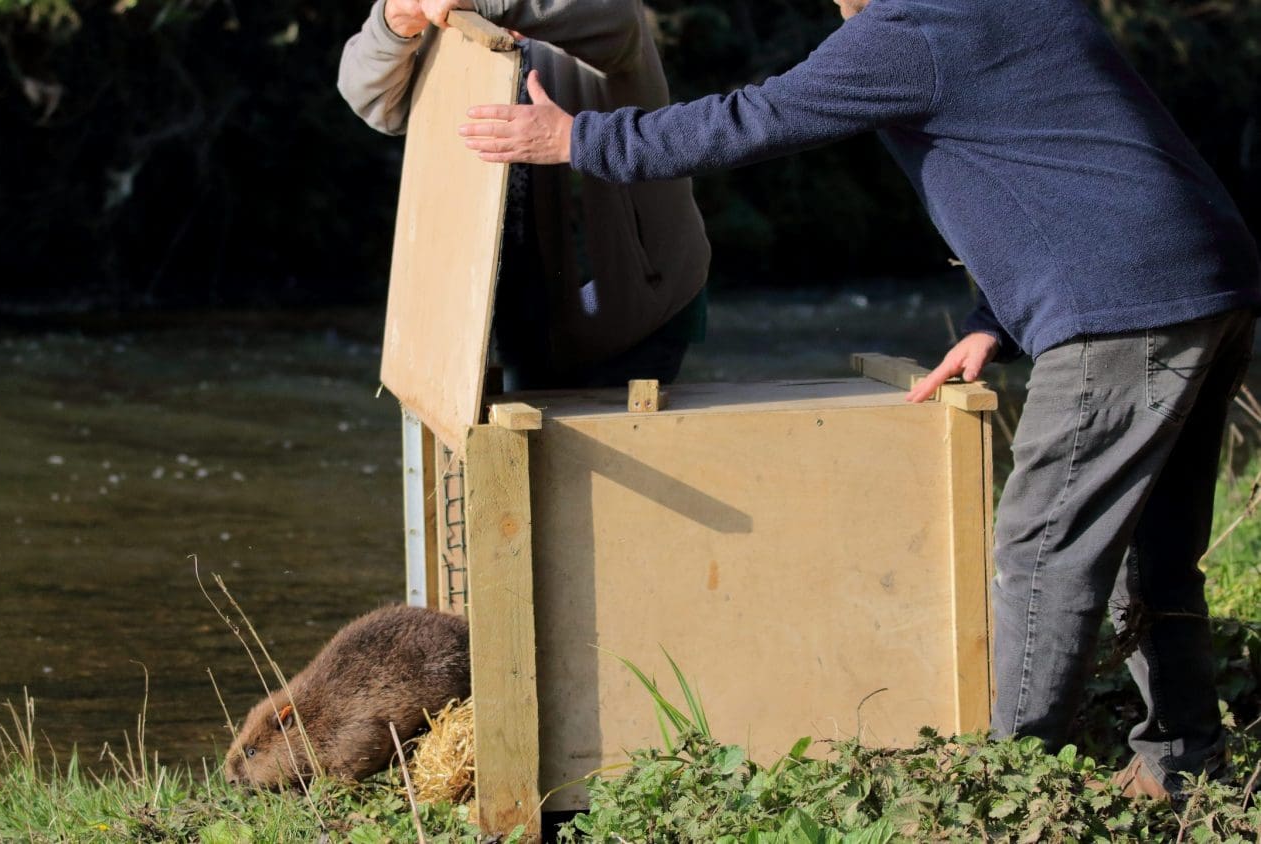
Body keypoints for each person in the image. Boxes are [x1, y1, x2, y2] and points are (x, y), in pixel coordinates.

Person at [459, 0, 1261, 800]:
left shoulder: (911, 28)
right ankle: (1181, 762)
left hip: (1123, 306)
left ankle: (1000, 784)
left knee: (1038, 551)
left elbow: (755, 117)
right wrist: (996, 322)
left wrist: (579, 140)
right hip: (1210, 276)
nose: (839, 13)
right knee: (1156, 552)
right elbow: (1067, 162)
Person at [337, 0, 710, 391]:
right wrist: (395, 20)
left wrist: (486, 3)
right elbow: (375, 101)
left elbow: (617, 23)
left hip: (635, 304)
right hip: (513, 307)